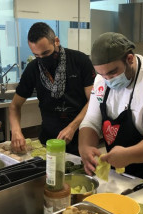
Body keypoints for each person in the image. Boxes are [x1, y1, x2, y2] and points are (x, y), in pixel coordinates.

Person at [78, 32, 143, 187]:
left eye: (113, 72)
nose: (108, 79)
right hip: (121, 165)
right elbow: (91, 120)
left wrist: (129, 154)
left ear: (129, 59)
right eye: (102, 74)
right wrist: (85, 147)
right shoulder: (101, 79)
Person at [9, 22, 95, 155]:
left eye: (46, 53)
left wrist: (72, 127)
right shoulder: (33, 69)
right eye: (37, 55)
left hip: (81, 135)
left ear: (56, 41)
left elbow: (93, 100)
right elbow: (15, 105)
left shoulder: (80, 61)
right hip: (48, 137)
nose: (42, 59)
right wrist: (16, 131)